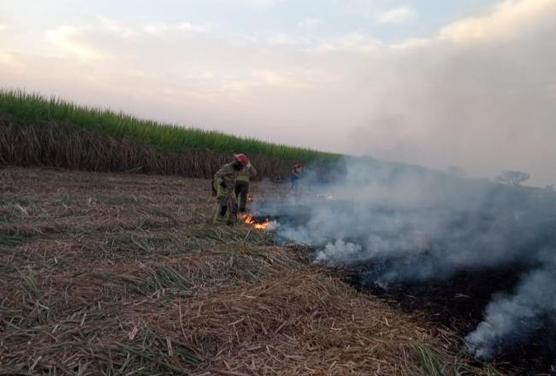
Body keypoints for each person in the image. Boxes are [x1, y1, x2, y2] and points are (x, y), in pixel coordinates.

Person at [213, 154, 249, 225]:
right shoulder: (227, 167)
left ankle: (231, 222)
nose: (242, 167)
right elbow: (217, 175)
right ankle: (217, 223)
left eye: (243, 165)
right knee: (223, 207)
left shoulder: (238, 168)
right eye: (241, 165)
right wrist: (222, 183)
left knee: (234, 206)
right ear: (237, 163)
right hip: (223, 189)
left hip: (231, 189)